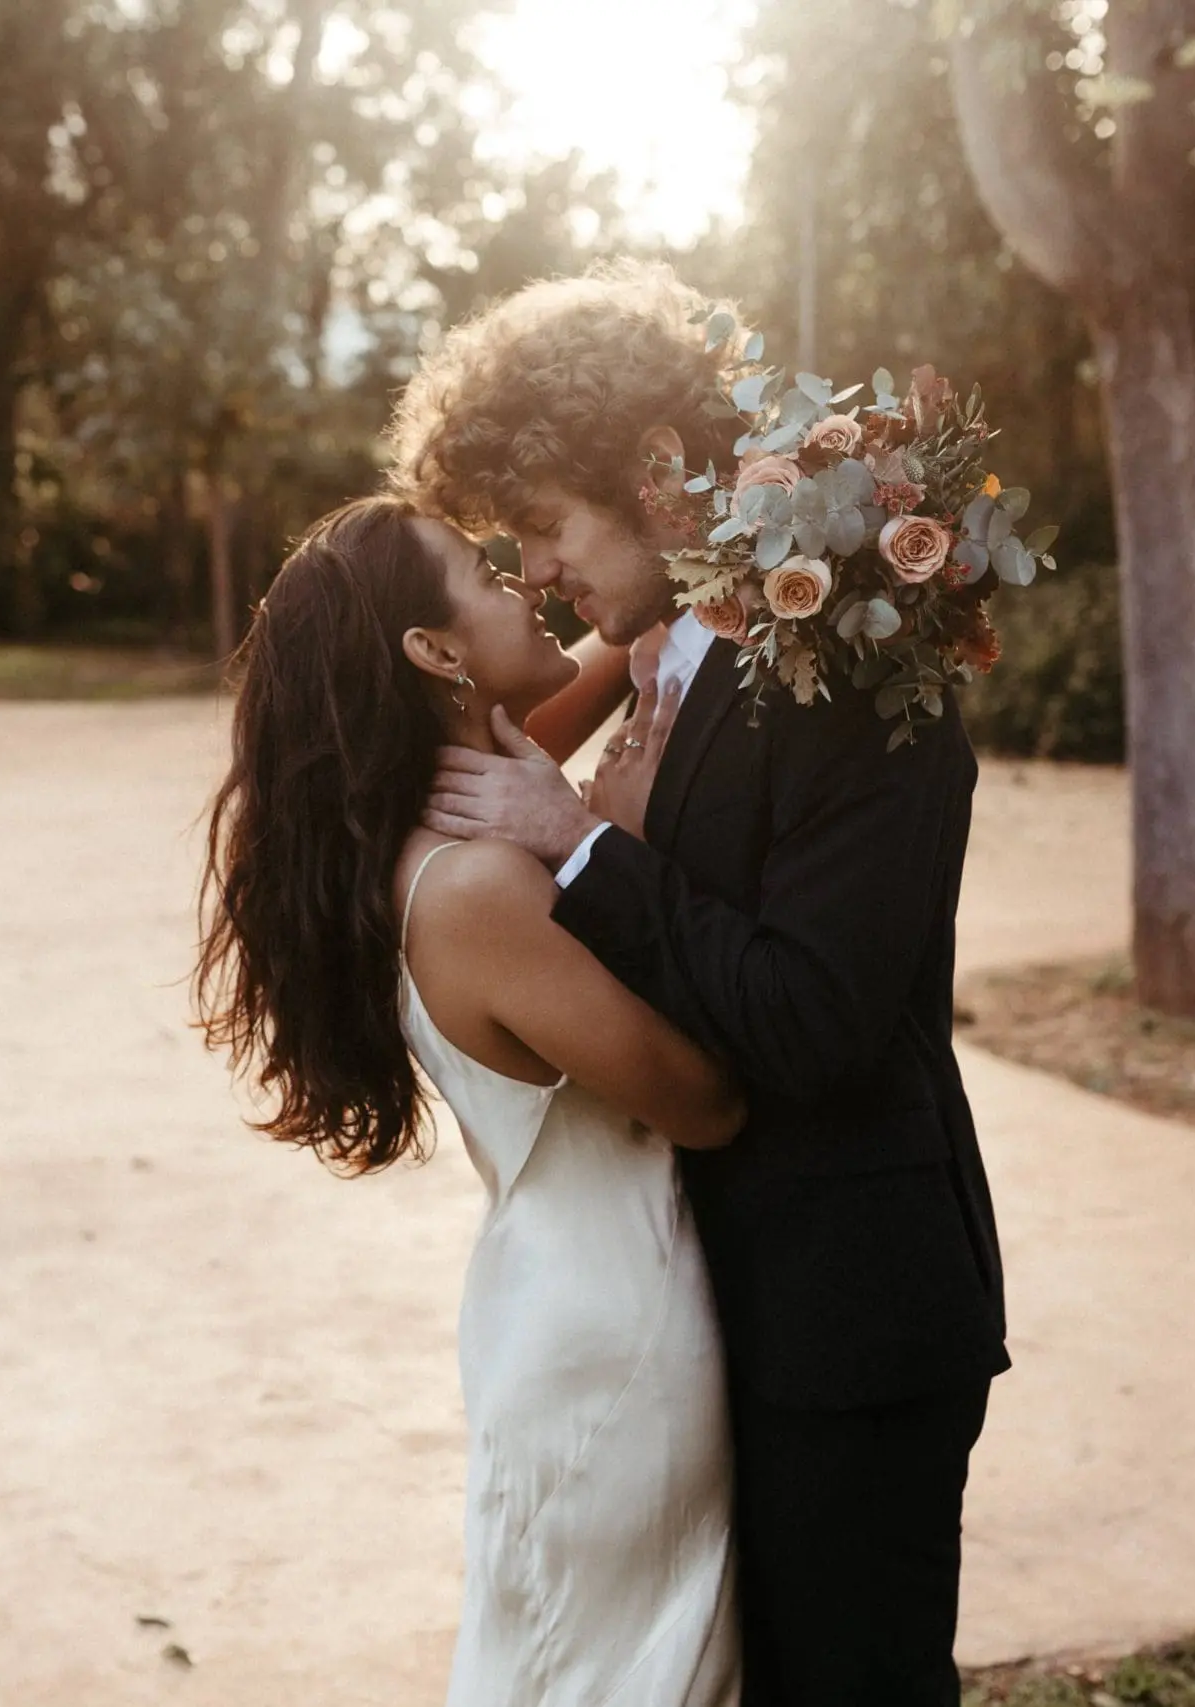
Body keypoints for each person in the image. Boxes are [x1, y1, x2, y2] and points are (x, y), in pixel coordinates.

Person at [389, 263, 1011, 1706]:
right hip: (709, 1308)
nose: (534, 571)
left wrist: (587, 842)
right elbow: (445, 712)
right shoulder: (661, 654)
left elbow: (813, 1017)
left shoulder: (854, 669)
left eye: (545, 525)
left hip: (848, 1312)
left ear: (654, 475)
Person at [195, 495, 745, 1706]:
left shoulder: (459, 788)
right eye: (487, 576)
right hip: (619, 1330)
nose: (527, 582)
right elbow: (706, 1101)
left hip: (559, 1293)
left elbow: (618, 640)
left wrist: (733, 548)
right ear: (435, 653)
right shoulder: (477, 883)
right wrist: (620, 840)